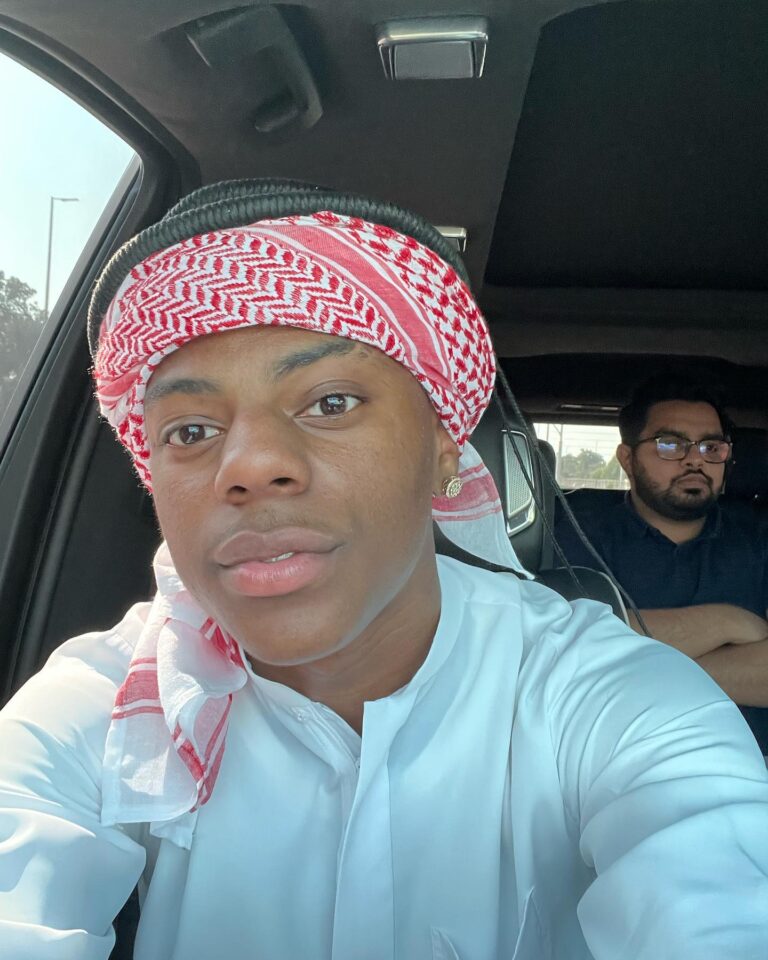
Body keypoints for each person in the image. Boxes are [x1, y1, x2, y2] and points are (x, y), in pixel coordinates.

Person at [0, 183, 767, 960]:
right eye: (192, 430)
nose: (251, 465)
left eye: (331, 403)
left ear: (443, 450)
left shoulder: (597, 697)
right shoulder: (102, 703)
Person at [555, 376, 768, 751]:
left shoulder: (758, 536)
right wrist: (729, 622)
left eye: (711, 447)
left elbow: (595, 657)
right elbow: (564, 648)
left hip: (748, 761)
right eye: (670, 444)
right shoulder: (573, 529)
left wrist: (628, 664)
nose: (695, 459)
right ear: (627, 459)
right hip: (606, 759)